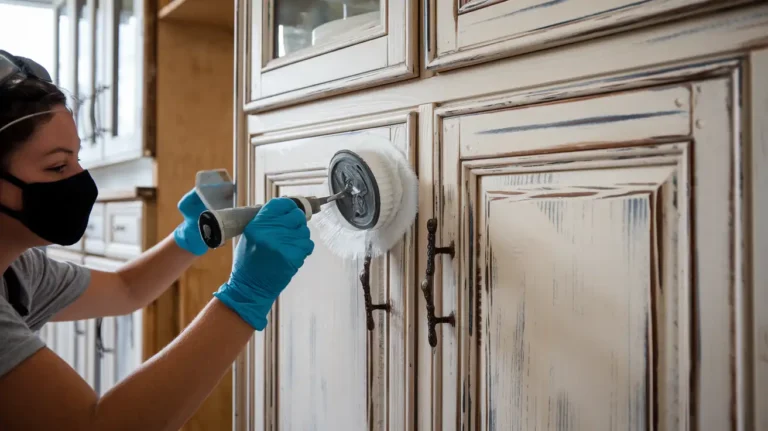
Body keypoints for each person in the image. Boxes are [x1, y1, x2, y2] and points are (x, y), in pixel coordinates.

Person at [0, 50, 314, 430]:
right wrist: (246, 295)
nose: (80, 181)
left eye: (77, 159)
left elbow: (125, 290)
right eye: (57, 166)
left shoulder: (17, 270)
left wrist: (190, 236)